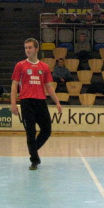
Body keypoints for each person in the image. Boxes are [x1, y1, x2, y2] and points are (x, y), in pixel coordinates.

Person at [10, 38, 62, 171]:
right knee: (30, 132)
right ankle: (34, 159)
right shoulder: (20, 65)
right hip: (26, 102)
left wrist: (57, 102)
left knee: (47, 130)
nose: (27, 50)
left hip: (40, 101)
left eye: (30, 47)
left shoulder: (44, 66)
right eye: (26, 48)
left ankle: (32, 149)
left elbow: (49, 86)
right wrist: (13, 103)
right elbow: (15, 85)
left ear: (36, 49)